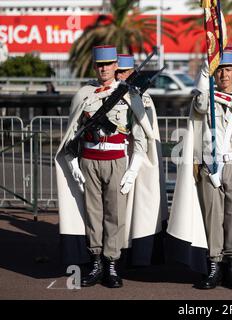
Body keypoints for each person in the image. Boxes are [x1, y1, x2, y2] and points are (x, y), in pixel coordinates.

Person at [55, 45, 168, 288]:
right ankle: (96, 262)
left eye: (108, 64)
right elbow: (71, 135)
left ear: (116, 66)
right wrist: (73, 162)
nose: (104, 68)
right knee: (94, 215)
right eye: (100, 65)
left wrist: (132, 170)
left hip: (116, 161)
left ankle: (112, 265)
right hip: (89, 160)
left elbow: (141, 137)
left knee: (114, 216)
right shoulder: (84, 94)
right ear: (95, 67)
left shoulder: (129, 95)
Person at [166, 48, 232, 290]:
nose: (224, 75)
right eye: (219, 70)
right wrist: (205, 73)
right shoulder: (205, 98)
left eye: (228, 69)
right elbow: (200, 107)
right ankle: (214, 265)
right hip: (210, 164)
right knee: (213, 217)